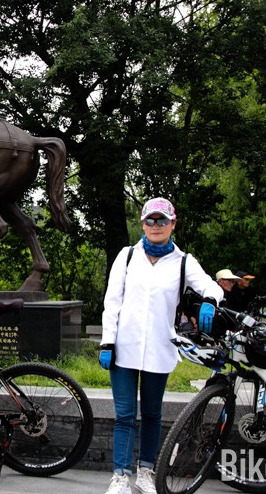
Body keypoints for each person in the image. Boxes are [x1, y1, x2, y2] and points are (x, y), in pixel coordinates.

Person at [100, 197, 224, 494]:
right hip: (124, 347)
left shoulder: (183, 261)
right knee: (125, 415)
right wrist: (107, 340)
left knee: (153, 414)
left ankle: (146, 471)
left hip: (159, 348)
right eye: (150, 221)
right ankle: (120, 476)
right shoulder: (127, 256)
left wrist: (209, 301)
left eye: (162, 221)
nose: (156, 226)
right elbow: (112, 301)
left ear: (173, 224)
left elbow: (213, 287)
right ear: (142, 223)